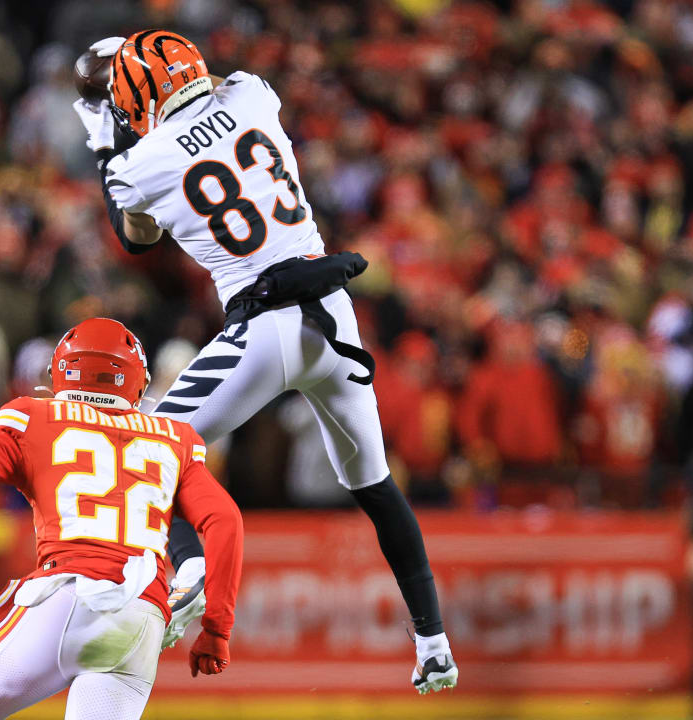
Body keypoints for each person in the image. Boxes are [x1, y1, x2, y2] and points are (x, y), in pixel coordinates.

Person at [73, 31, 455, 693]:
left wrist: (106, 142)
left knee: (142, 455)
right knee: (377, 489)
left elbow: (135, 237)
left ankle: (189, 570)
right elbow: (215, 115)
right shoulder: (252, 94)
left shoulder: (143, 161)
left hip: (262, 326)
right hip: (334, 316)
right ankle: (433, 643)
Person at [0, 318, 244, 720]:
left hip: (65, 596)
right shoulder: (176, 437)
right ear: (138, 381)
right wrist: (216, 630)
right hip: (140, 615)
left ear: (61, 373)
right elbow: (225, 521)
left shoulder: (35, 419)